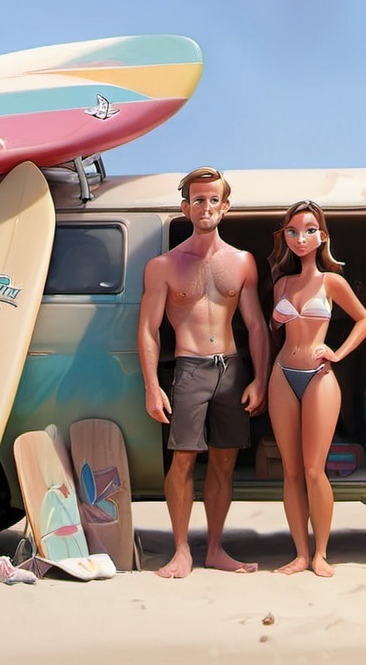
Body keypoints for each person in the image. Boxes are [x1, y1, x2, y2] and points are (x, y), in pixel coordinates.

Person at [137, 167, 270, 578]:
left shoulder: (243, 262)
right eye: (198, 200)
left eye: (214, 199)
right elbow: (147, 330)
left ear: (225, 206)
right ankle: (181, 550)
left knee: (225, 462)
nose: (206, 206)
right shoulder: (163, 265)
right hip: (190, 369)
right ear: (186, 207)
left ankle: (214, 548)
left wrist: (260, 379)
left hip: (231, 368)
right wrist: (152, 387)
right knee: (183, 461)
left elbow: (256, 325)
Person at [267, 200, 366, 576]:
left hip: (319, 376)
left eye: (309, 230)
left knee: (315, 470)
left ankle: (321, 554)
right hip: (282, 373)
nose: (301, 238)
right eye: (293, 231)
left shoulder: (331, 281)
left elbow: (365, 321)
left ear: (322, 236)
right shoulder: (281, 282)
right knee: (291, 471)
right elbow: (270, 332)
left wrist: (338, 353)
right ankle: (299, 553)